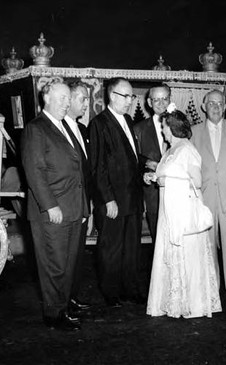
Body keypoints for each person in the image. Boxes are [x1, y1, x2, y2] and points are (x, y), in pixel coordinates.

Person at [21, 78, 89, 331]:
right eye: (62, 99)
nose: (66, 103)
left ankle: (63, 307)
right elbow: (35, 171)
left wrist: (82, 208)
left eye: (68, 99)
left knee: (67, 263)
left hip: (72, 208)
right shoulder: (36, 128)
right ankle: (53, 315)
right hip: (53, 211)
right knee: (54, 264)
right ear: (46, 98)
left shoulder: (63, 127)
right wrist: (50, 206)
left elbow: (76, 170)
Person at [146, 104, 222, 318]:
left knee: (187, 255)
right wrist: (155, 177)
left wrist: (169, 179)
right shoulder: (171, 150)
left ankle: (193, 303)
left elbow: (196, 181)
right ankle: (174, 301)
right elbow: (168, 174)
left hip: (183, 211)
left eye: (164, 127)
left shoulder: (188, 149)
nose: (162, 131)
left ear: (172, 128)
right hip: (168, 210)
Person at [88, 77, 145, 308]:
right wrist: (108, 199)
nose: (131, 101)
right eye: (127, 96)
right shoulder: (100, 123)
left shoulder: (129, 120)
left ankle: (130, 289)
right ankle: (110, 292)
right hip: (113, 200)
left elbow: (130, 158)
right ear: (112, 96)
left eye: (132, 96)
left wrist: (149, 166)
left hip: (132, 198)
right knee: (111, 248)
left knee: (131, 247)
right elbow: (97, 166)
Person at [190, 89, 226, 306]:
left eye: (219, 103)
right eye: (211, 103)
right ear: (204, 107)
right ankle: (211, 292)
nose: (215, 107)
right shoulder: (193, 133)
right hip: (205, 199)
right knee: (208, 247)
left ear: (225, 106)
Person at [64, 81, 92, 314]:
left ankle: (71, 297)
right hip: (66, 205)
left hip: (83, 203)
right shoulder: (58, 128)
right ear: (69, 100)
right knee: (64, 257)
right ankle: (62, 301)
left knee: (77, 255)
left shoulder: (82, 129)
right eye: (82, 99)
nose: (86, 104)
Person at [134, 84, 171, 242]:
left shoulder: (181, 126)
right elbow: (134, 160)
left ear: (170, 100)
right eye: (157, 100)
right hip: (152, 195)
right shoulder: (138, 129)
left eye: (165, 99)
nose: (161, 103)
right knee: (158, 241)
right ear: (149, 102)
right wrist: (147, 168)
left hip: (177, 194)